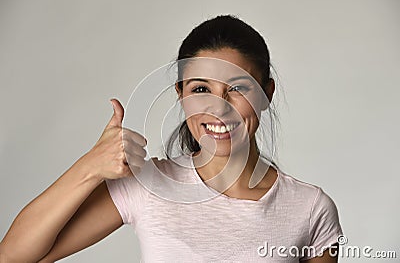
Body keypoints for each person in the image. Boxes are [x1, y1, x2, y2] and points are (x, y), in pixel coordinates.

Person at [0, 15, 343, 262]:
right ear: (181, 95)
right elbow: (14, 256)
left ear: (265, 93)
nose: (218, 108)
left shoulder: (309, 209)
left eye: (238, 88)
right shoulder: (148, 184)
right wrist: (89, 168)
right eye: (200, 89)